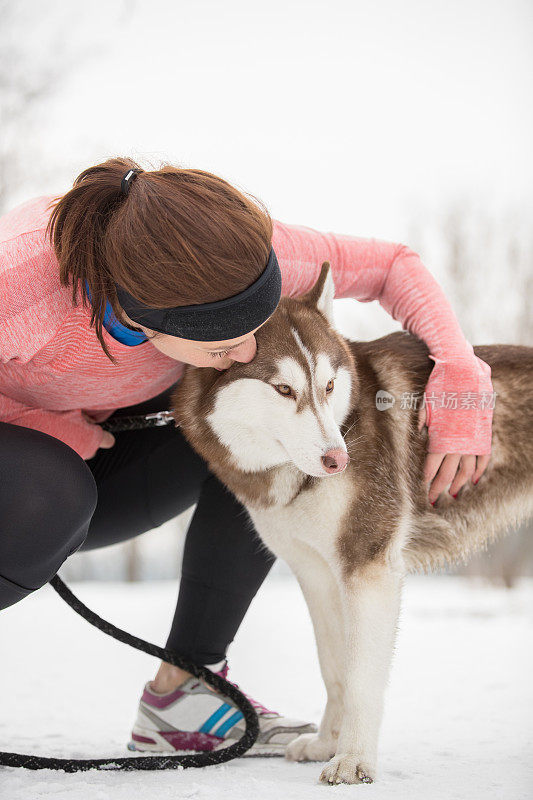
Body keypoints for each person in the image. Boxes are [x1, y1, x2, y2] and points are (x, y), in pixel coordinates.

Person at [0, 157, 493, 755]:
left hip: (112, 458)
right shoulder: (22, 279)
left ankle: (184, 692)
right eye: (229, 340)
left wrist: (461, 375)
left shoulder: (236, 251)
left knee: (261, 434)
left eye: (256, 323)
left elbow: (393, 264)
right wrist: (51, 426)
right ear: (153, 314)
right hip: (27, 481)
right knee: (45, 494)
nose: (250, 348)